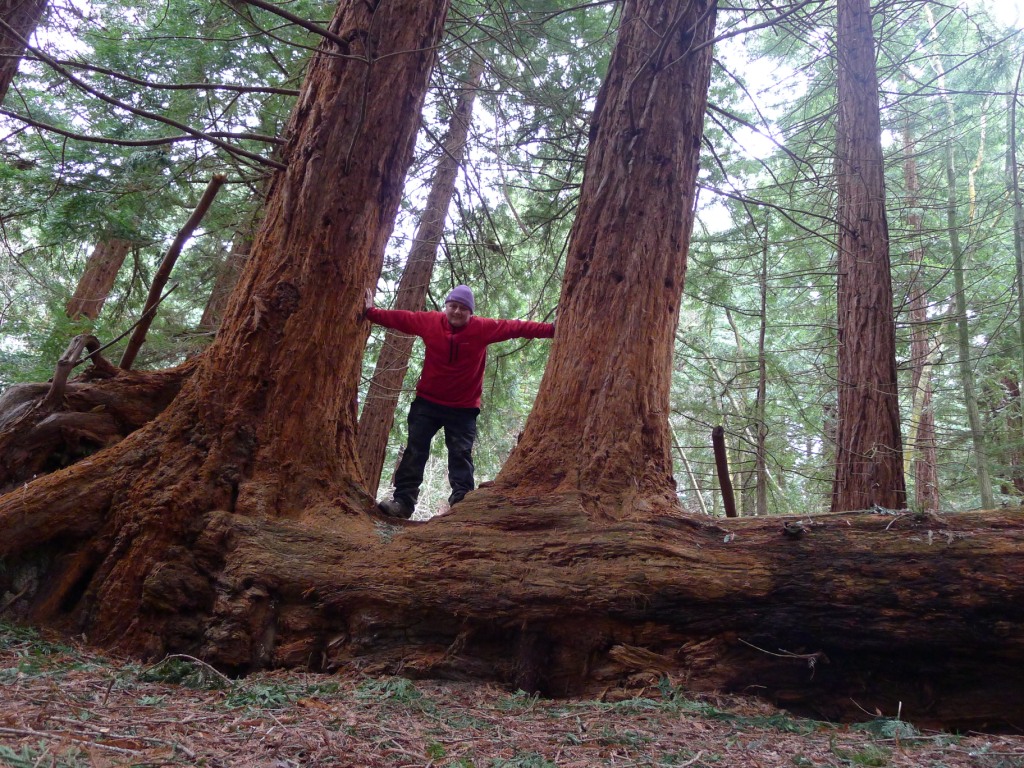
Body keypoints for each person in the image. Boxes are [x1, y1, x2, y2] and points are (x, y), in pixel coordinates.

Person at [364, 284, 554, 519]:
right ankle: (403, 503)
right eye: (453, 306)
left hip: (463, 408)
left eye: (463, 308)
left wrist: (553, 329)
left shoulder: (482, 328)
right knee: (415, 450)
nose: (456, 312)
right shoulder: (430, 322)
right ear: (446, 307)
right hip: (428, 403)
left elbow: (516, 327)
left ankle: (462, 505)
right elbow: (401, 319)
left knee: (460, 454)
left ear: (470, 312)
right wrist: (371, 312)